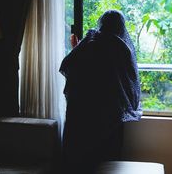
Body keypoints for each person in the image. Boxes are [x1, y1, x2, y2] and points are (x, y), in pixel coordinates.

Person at [60, 10, 142, 173]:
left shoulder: (89, 41)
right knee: (107, 162)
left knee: (81, 160)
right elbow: (131, 80)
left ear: (102, 23)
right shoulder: (121, 47)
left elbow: (66, 65)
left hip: (80, 109)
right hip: (109, 114)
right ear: (120, 26)